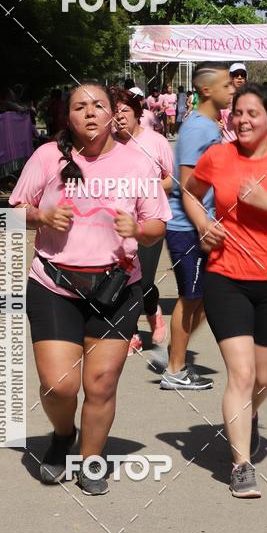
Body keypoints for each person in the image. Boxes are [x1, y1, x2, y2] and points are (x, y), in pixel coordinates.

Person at [9, 81, 171, 495]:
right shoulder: (47, 157)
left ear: (114, 112)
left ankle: (92, 457)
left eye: (99, 105)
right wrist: (42, 217)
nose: (91, 112)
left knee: (100, 383)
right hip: (54, 283)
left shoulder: (138, 163)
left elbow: (156, 225)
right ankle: (64, 434)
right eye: (80, 106)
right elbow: (13, 213)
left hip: (116, 288)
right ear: (69, 116)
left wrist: (138, 228)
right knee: (59, 384)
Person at [184, 83, 267, 498]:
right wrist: (203, 225)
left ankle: (248, 416)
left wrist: (265, 203)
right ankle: (241, 464)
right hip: (226, 276)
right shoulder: (217, 156)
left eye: (252, 113)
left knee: (262, 377)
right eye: (237, 113)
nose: (242, 120)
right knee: (240, 374)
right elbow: (190, 192)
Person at [161, 62, 234, 390]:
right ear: (206, 90)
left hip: (202, 225)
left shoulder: (210, 125)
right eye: (226, 85)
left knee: (202, 298)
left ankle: (176, 351)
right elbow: (187, 185)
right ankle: (174, 370)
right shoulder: (197, 128)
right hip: (187, 227)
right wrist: (203, 223)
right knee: (190, 298)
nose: (232, 90)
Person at [113, 89, 173, 354]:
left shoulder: (156, 141)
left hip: (149, 222)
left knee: (144, 281)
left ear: (138, 114)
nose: (119, 117)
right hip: (117, 224)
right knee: (121, 279)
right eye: (114, 112)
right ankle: (131, 331)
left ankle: (153, 310)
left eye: (124, 111)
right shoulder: (107, 143)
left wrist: (145, 191)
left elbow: (172, 180)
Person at [220, 63, 248, 142]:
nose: (240, 77)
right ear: (230, 77)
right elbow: (214, 117)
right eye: (236, 75)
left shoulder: (250, 97)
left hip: (245, 144)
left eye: (243, 75)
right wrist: (216, 124)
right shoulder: (223, 97)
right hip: (226, 145)